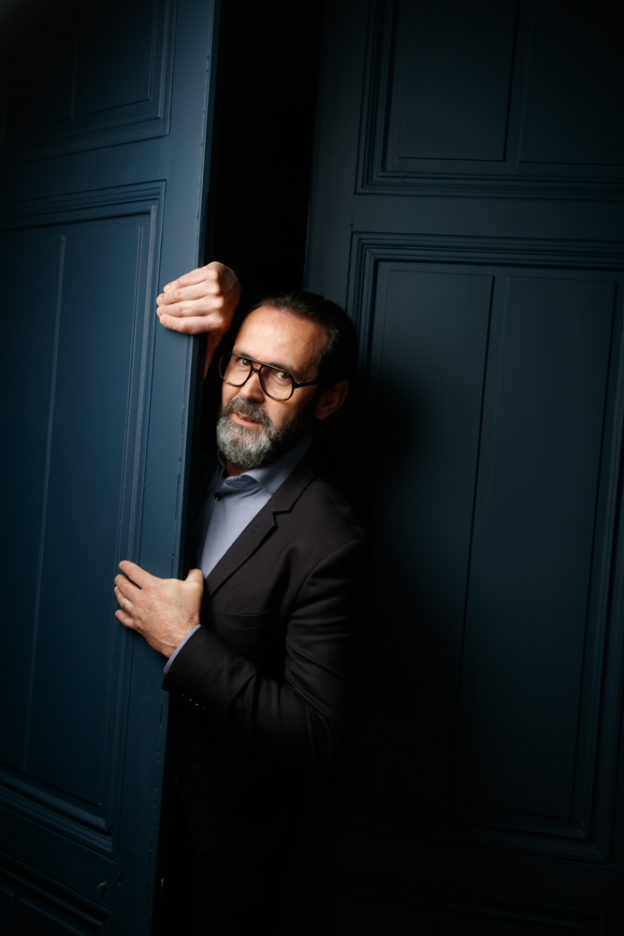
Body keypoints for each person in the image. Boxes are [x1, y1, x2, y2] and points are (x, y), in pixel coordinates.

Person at [113, 262, 365, 935]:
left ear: (329, 400)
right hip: (106, 802)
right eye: (242, 364)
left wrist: (185, 643)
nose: (249, 391)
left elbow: (320, 736)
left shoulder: (329, 541)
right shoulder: (181, 446)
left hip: (213, 863)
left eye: (280, 376)